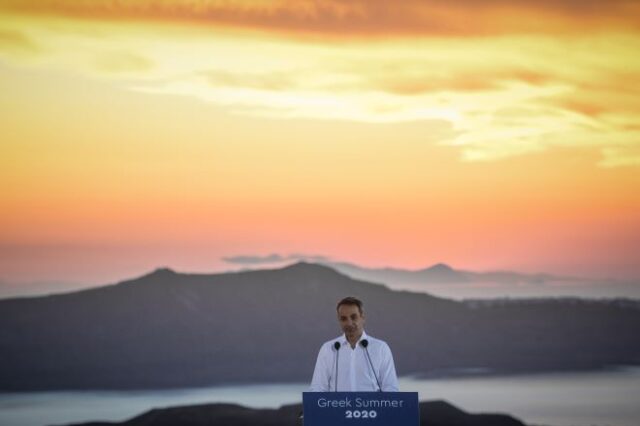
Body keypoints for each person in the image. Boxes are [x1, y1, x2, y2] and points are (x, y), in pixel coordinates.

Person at [310, 296, 399, 392]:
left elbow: (390, 388)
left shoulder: (381, 348)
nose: (349, 323)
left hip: (372, 407)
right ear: (339, 321)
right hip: (337, 407)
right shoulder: (328, 349)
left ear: (362, 318)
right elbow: (317, 388)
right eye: (343, 319)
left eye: (353, 317)